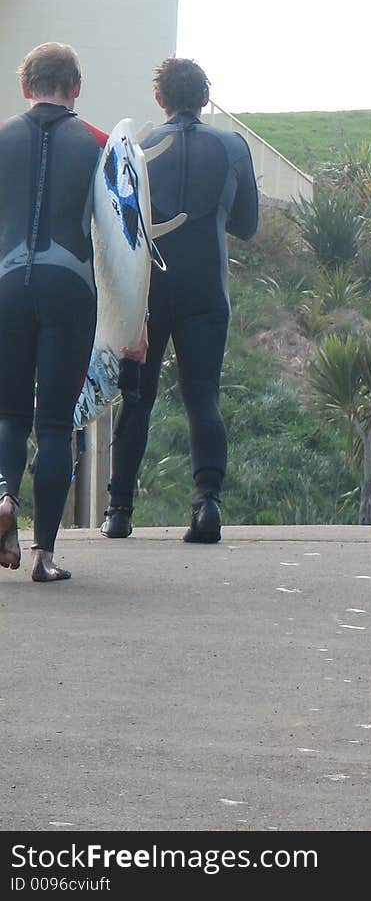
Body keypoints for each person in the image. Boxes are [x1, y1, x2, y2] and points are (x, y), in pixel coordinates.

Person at [100, 57, 259, 544]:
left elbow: (117, 225)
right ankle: (207, 505)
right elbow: (247, 226)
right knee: (202, 396)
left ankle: (120, 512)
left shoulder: (138, 147)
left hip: (148, 288)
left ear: (159, 99)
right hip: (207, 286)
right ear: (206, 99)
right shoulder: (232, 146)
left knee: (137, 398)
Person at [0, 43, 109, 582]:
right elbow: (121, 243)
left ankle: (2, 497)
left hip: (5, 285)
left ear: (26, 87)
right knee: (55, 423)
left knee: (9, 416)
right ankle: (43, 556)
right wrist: (129, 320)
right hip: (70, 285)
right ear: (76, 88)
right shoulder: (100, 145)